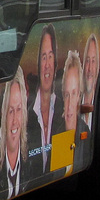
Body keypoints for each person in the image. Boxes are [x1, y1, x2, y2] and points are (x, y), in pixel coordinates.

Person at [27, 24, 62, 176]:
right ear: (38, 64)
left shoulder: (64, 111)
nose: (47, 65)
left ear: (55, 63)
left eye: (50, 56)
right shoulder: (26, 115)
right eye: (43, 57)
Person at [0, 67, 28, 199]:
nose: (15, 120)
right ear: (3, 114)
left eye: (19, 109)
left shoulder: (31, 165)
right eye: (10, 111)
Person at [81, 34, 100, 131]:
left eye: (93, 61)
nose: (90, 69)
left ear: (97, 66)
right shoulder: (75, 100)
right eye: (87, 61)